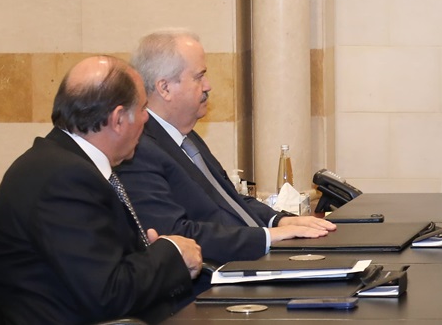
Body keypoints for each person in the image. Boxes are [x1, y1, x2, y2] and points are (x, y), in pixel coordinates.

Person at [0, 56, 201, 323]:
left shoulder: (64, 164)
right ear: (118, 119)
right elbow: (108, 295)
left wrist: (153, 255)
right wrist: (172, 252)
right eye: (143, 108)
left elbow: (103, 270)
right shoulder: (63, 179)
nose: (146, 117)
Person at [116, 29, 334, 265]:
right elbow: (176, 235)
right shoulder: (138, 152)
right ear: (164, 88)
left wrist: (280, 221)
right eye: (199, 77)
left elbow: (229, 199)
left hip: (253, 258)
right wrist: (267, 237)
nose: (208, 86)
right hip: (220, 274)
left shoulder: (186, 137)